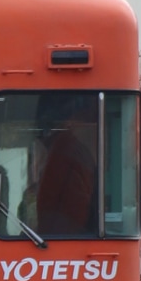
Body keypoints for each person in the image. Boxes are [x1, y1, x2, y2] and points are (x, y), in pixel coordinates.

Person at [33, 97, 97, 236]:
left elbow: (52, 202)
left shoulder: (62, 152)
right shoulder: (75, 149)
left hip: (60, 236)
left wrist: (47, 233)